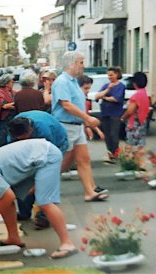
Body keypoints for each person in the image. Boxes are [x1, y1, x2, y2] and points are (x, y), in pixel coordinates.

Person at [0, 139, 78, 259]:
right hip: (36, 157)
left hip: (46, 156)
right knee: (3, 203)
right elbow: (0, 205)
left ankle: (67, 243)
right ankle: (13, 238)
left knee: (45, 202)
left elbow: (8, 197)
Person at [51, 51, 108, 202]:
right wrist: (87, 118)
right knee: (63, 163)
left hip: (76, 126)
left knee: (84, 159)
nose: (83, 66)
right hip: (66, 126)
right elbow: (67, 105)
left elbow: (77, 104)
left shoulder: (73, 81)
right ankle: (42, 187)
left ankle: (90, 191)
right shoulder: (62, 81)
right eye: (81, 62)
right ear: (72, 64)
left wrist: (86, 123)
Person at [7, 111, 68, 227]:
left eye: (24, 138)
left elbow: (49, 155)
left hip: (56, 145)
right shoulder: (14, 129)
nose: (22, 141)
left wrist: (37, 181)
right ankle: (24, 212)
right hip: (34, 147)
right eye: (19, 139)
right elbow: (12, 152)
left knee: (45, 179)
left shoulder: (43, 129)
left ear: (30, 130)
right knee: (23, 177)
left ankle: (44, 214)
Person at [94, 67, 125, 163]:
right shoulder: (106, 86)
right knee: (107, 134)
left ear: (116, 74)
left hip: (115, 113)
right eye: (108, 75)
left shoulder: (121, 86)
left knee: (114, 134)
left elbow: (116, 99)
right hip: (105, 113)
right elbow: (97, 96)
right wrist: (107, 91)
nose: (109, 77)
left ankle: (115, 153)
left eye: (111, 75)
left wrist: (105, 98)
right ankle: (110, 153)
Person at [120, 72, 150, 148]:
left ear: (135, 83)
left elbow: (130, 110)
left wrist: (123, 118)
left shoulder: (137, 95)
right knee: (140, 145)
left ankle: (131, 159)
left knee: (130, 146)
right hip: (142, 122)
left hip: (134, 124)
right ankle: (141, 159)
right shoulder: (144, 93)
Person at [0, 73, 16, 148]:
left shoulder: (12, 92)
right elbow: (3, 105)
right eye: (12, 82)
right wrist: (15, 103)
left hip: (12, 118)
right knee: (2, 139)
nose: (13, 83)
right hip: (3, 120)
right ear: (6, 84)